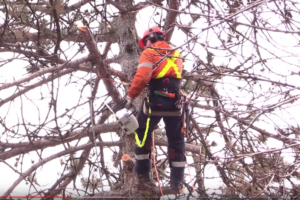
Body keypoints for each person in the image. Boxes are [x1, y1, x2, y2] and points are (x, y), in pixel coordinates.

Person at [124, 27, 186, 191]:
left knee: (141, 130)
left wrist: (131, 96)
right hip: (175, 101)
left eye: (146, 42)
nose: (145, 46)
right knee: (176, 138)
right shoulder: (175, 53)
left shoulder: (150, 52)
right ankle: (177, 180)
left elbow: (142, 76)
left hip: (156, 100)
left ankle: (143, 170)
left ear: (151, 38)